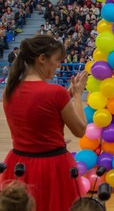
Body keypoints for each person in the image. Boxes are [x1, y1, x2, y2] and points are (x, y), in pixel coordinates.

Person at [1, 35, 88, 211]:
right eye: (57, 60)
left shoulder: (9, 90)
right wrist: (77, 95)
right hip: (52, 167)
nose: (58, 65)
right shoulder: (55, 93)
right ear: (42, 58)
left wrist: (67, 95)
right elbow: (80, 130)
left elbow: (40, 114)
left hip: (18, 164)